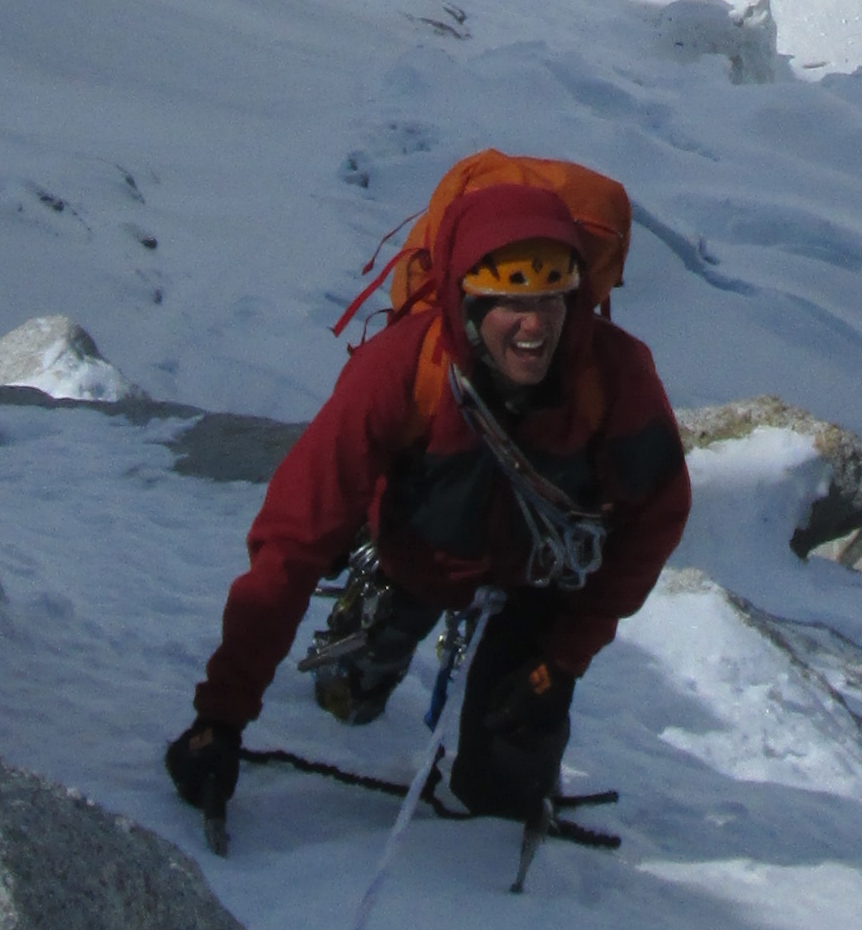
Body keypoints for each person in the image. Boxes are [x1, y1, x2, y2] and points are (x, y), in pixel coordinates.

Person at [164, 177, 690, 838]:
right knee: (344, 703)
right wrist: (222, 716)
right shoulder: (401, 370)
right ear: (466, 301)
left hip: (540, 590)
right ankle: (371, 634)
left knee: (499, 794)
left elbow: (658, 515)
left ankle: (502, 733)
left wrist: (562, 657)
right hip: (413, 560)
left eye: (553, 299)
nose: (537, 325)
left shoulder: (612, 377)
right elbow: (293, 541)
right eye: (512, 302)